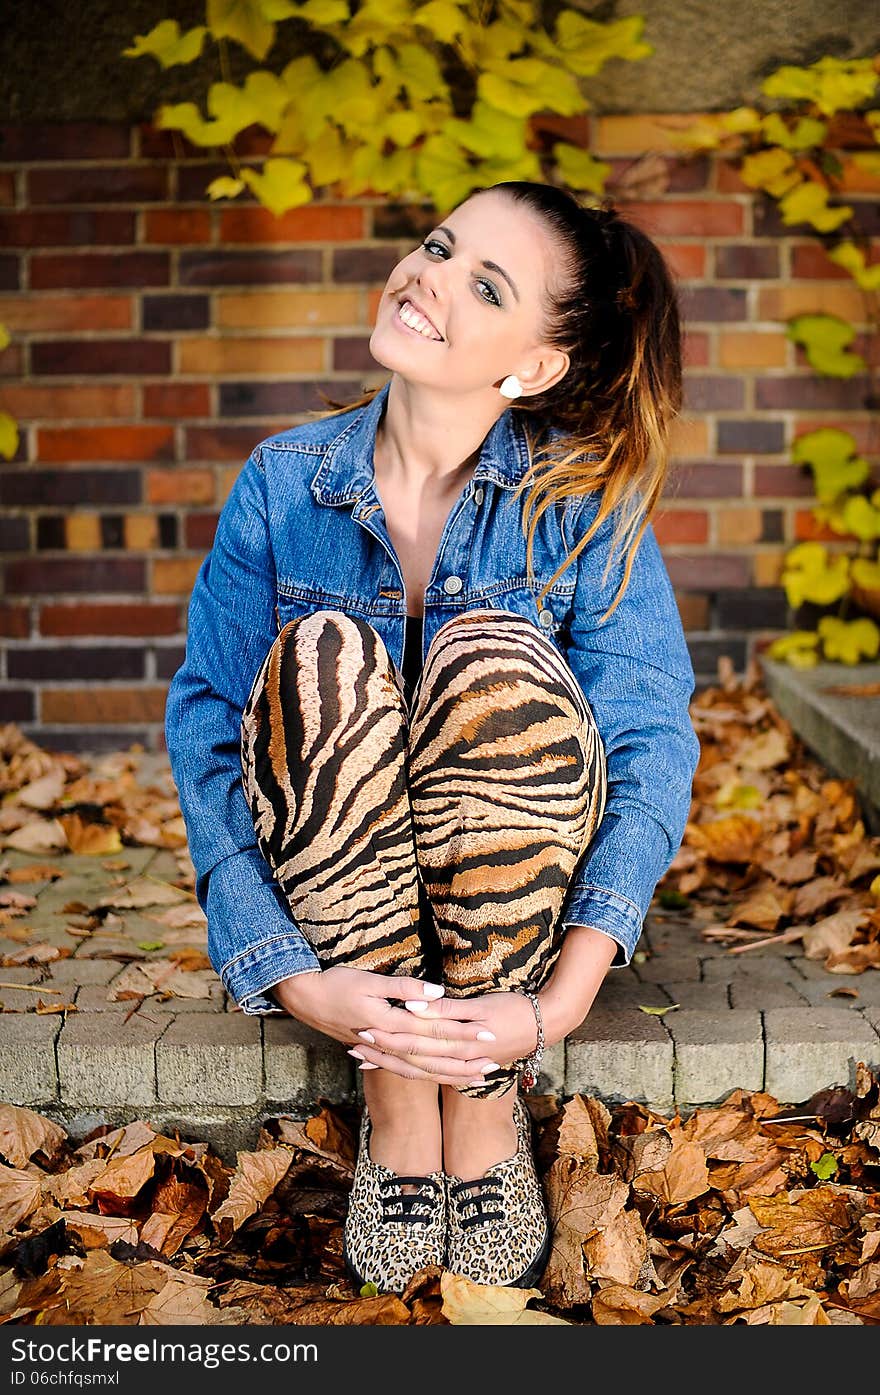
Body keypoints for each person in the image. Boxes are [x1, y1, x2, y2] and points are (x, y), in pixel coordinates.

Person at [164, 181, 701, 1297]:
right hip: (334, 909)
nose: (429, 278)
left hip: (514, 909)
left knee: (488, 657)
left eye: (484, 284)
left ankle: (481, 1092)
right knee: (321, 656)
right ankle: (399, 1098)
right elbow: (211, 729)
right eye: (438, 247)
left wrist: (548, 1010)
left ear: (536, 365)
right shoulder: (280, 485)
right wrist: (294, 977)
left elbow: (650, 743)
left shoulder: (581, 506)